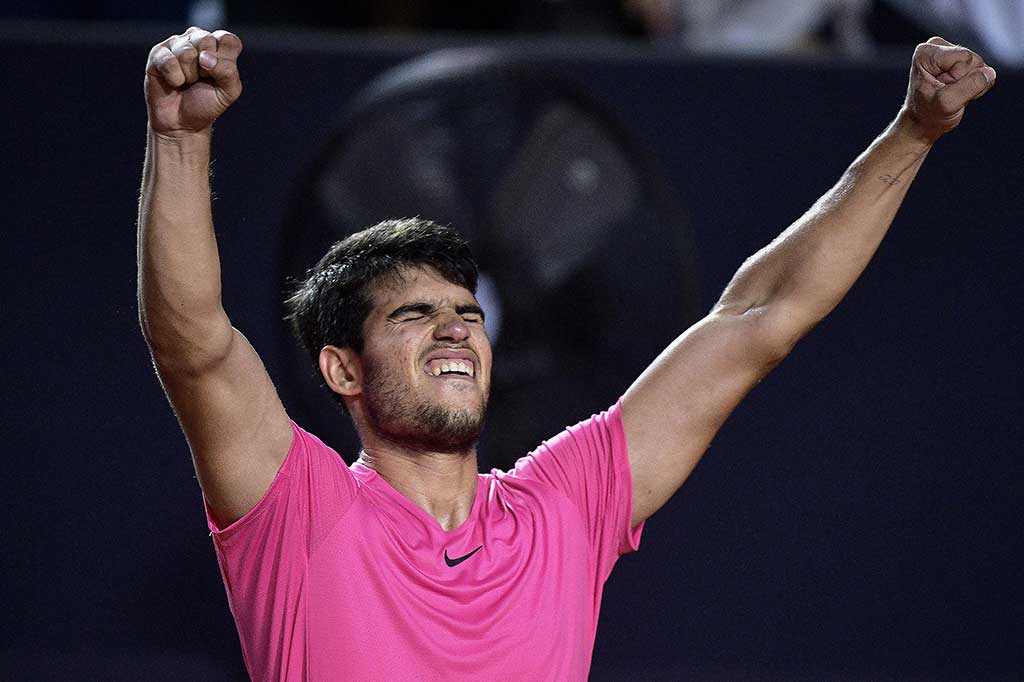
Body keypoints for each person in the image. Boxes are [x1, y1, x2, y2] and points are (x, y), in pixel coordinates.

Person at [137, 26, 996, 682]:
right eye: (415, 315)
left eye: (467, 313)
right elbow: (194, 345)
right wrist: (179, 140)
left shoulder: (562, 504)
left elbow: (759, 319)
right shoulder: (299, 512)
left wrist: (913, 133)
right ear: (342, 370)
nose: (457, 329)